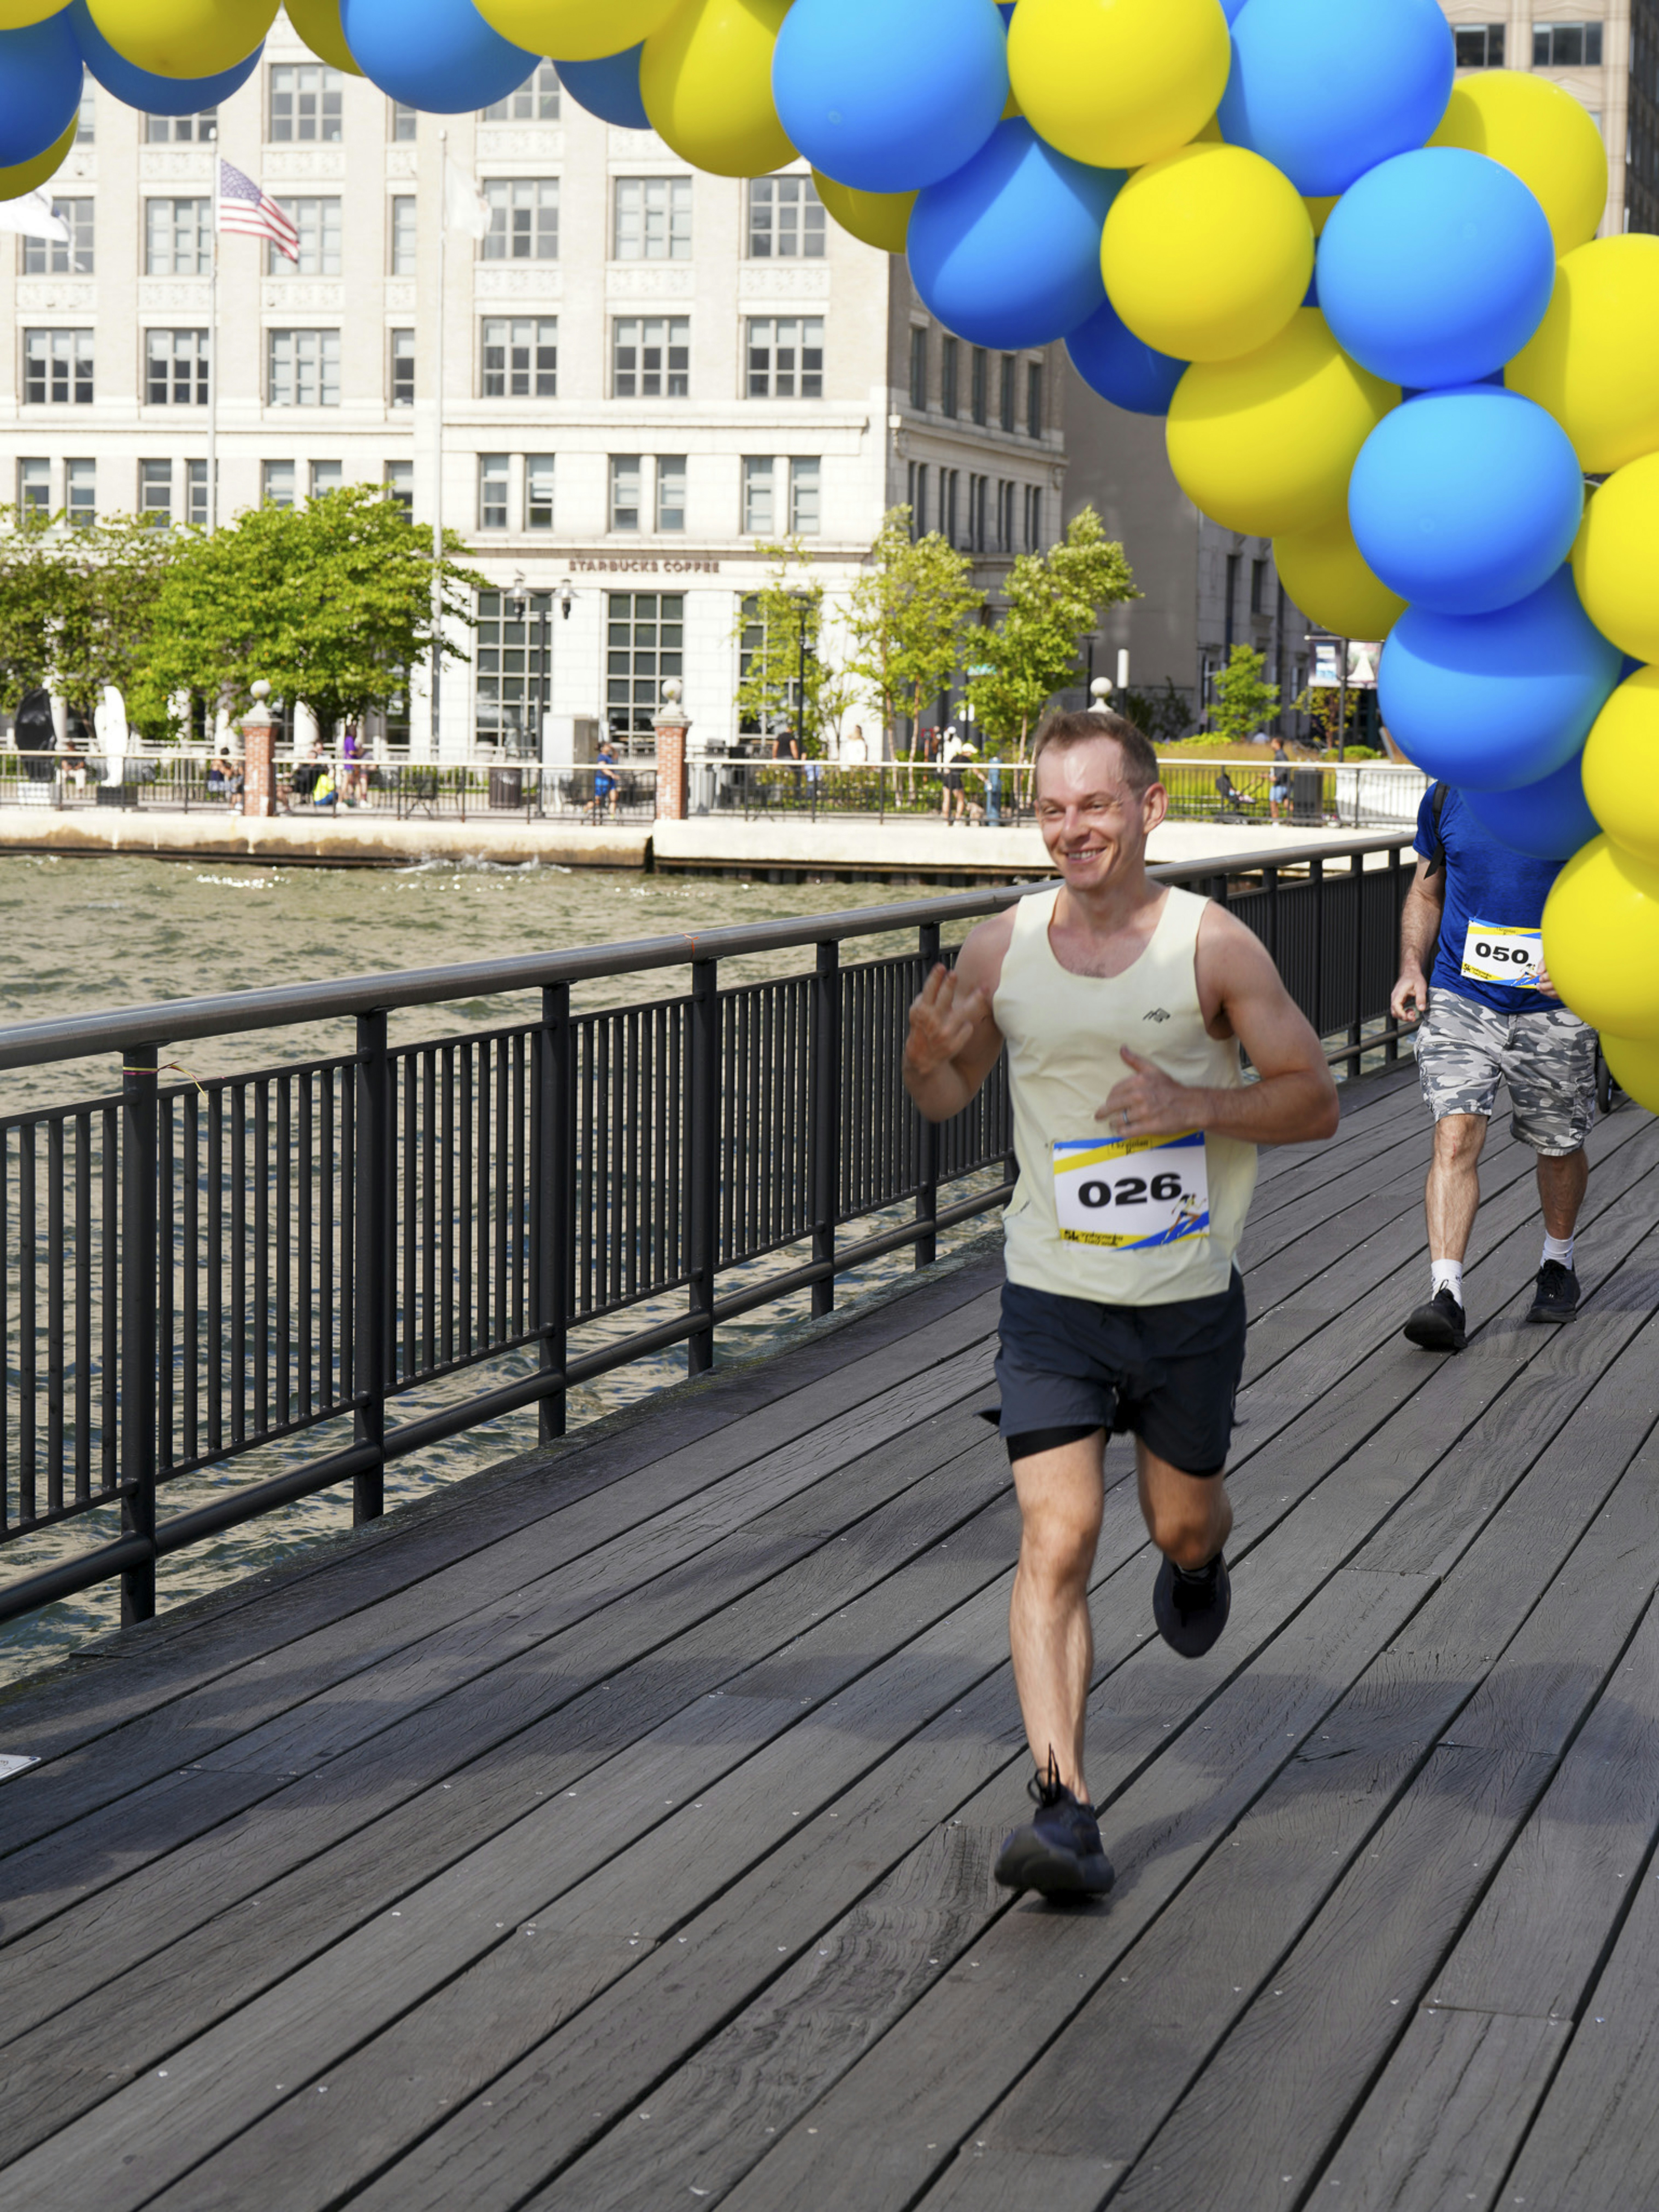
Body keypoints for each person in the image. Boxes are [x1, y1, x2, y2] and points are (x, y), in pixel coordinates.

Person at [902, 710, 1339, 1896]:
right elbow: (946, 1098)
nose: (1071, 829)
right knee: (1059, 1534)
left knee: (1181, 1524)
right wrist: (921, 1055)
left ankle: (1198, 1564)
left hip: (1187, 1296)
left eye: (1095, 805)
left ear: (1149, 809)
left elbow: (1314, 1101)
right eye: (1051, 808)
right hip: (1050, 1291)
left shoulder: (1214, 947)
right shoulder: (1001, 948)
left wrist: (1196, 1108)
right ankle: (1065, 1805)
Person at [1390, 782, 1598, 1352]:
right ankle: (1446, 1293)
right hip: (1462, 995)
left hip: (1557, 1006)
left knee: (1558, 1145)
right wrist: (1413, 966)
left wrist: (1587, 956)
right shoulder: (1448, 796)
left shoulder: (1584, 796)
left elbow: (1626, 891)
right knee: (1454, 1133)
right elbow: (1427, 894)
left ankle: (1558, 1262)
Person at [1269, 739, 1292, 825]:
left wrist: (1277, 777)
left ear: (1278, 744)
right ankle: (1294, 819)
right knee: (1287, 804)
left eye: (1273, 742)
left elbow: (1286, 767)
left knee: (1274, 802)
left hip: (1281, 784)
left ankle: (1275, 822)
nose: (1271, 744)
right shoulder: (1280, 754)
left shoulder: (1280, 755)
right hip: (1285, 784)